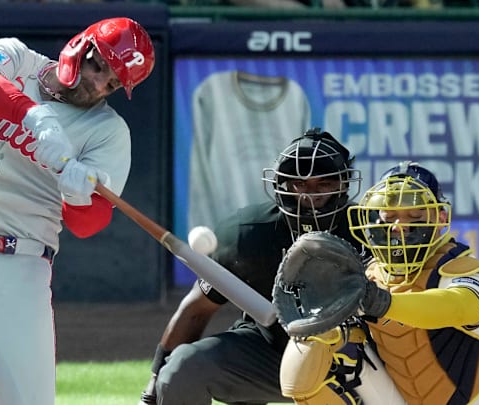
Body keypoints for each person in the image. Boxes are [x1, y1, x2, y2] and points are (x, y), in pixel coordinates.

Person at [0, 17, 154, 405]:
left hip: (22, 269)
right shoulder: (16, 58)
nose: (98, 85)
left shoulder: (108, 131)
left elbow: (89, 223)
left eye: (111, 83)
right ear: (82, 46)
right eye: (99, 67)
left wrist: (76, 191)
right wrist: (31, 114)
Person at [138, 128, 363, 405]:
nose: (309, 196)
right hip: (272, 354)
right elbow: (196, 310)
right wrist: (152, 388)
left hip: (359, 361)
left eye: (324, 185)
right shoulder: (248, 234)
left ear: (343, 185)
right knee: (185, 367)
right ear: (281, 184)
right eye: (299, 184)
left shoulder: (371, 233)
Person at [278, 161, 479, 404]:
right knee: (329, 349)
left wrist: (381, 302)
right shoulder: (369, 276)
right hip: (404, 398)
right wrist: (318, 325)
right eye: (389, 216)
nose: (399, 227)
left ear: (441, 217)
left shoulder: (464, 270)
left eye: (414, 216)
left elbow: (459, 306)